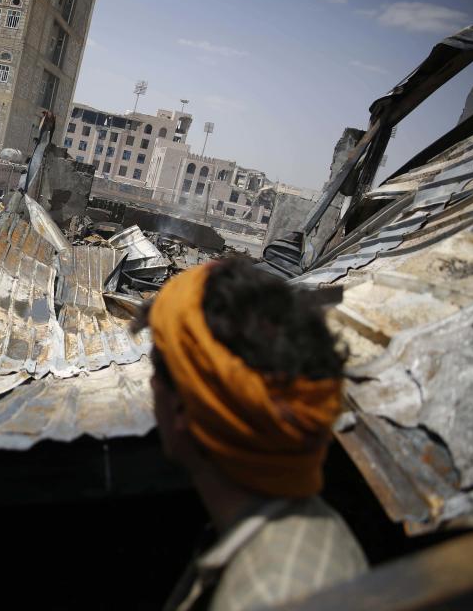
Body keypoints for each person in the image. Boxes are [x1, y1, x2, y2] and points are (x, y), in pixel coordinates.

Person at [137, 258, 368, 611]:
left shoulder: (265, 596)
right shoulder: (311, 523)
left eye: (156, 370)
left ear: (183, 409)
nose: (151, 385)